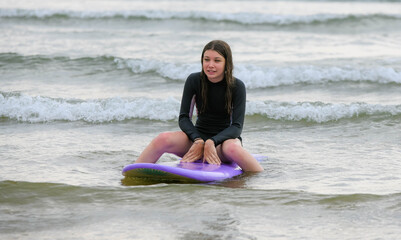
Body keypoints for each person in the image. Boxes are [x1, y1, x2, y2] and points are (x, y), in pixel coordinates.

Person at [135, 40, 264, 172]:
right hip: (195, 142)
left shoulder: (237, 86)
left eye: (217, 61)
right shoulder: (194, 80)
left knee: (233, 148)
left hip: (222, 145)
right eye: (206, 59)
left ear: (227, 63)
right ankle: (134, 170)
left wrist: (212, 142)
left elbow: (237, 127)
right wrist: (198, 140)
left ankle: (262, 177)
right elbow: (184, 118)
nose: (210, 65)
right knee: (163, 138)